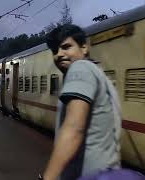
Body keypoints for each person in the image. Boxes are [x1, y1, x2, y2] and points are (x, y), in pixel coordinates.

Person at [41, 24, 122, 180]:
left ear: (84, 47)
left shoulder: (80, 68)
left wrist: (48, 178)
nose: (59, 54)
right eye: (54, 50)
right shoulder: (100, 75)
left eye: (66, 47)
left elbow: (74, 128)